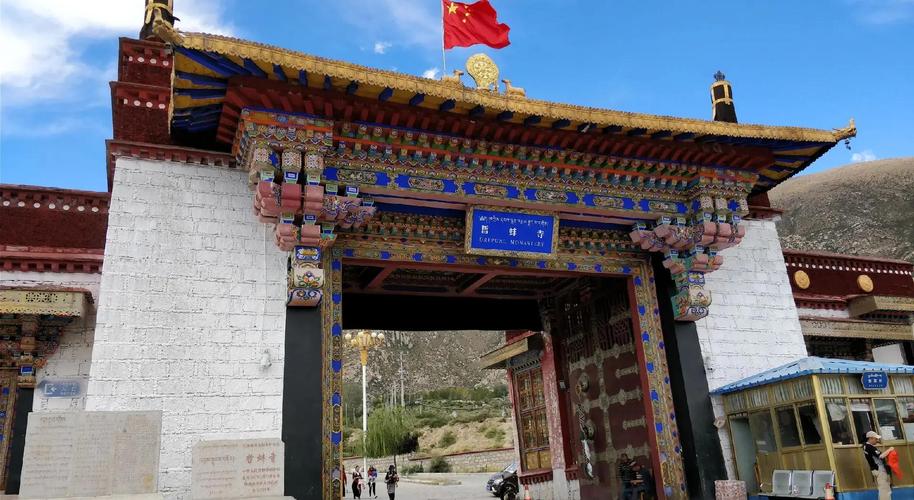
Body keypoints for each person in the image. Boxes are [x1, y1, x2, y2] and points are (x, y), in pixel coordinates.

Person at [863, 431, 894, 499]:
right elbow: (881, 456)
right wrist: (890, 449)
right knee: (884, 489)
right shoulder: (869, 447)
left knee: (882, 489)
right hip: (879, 470)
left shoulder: (865, 446)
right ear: (870, 438)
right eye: (875, 439)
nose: (877, 440)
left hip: (875, 470)